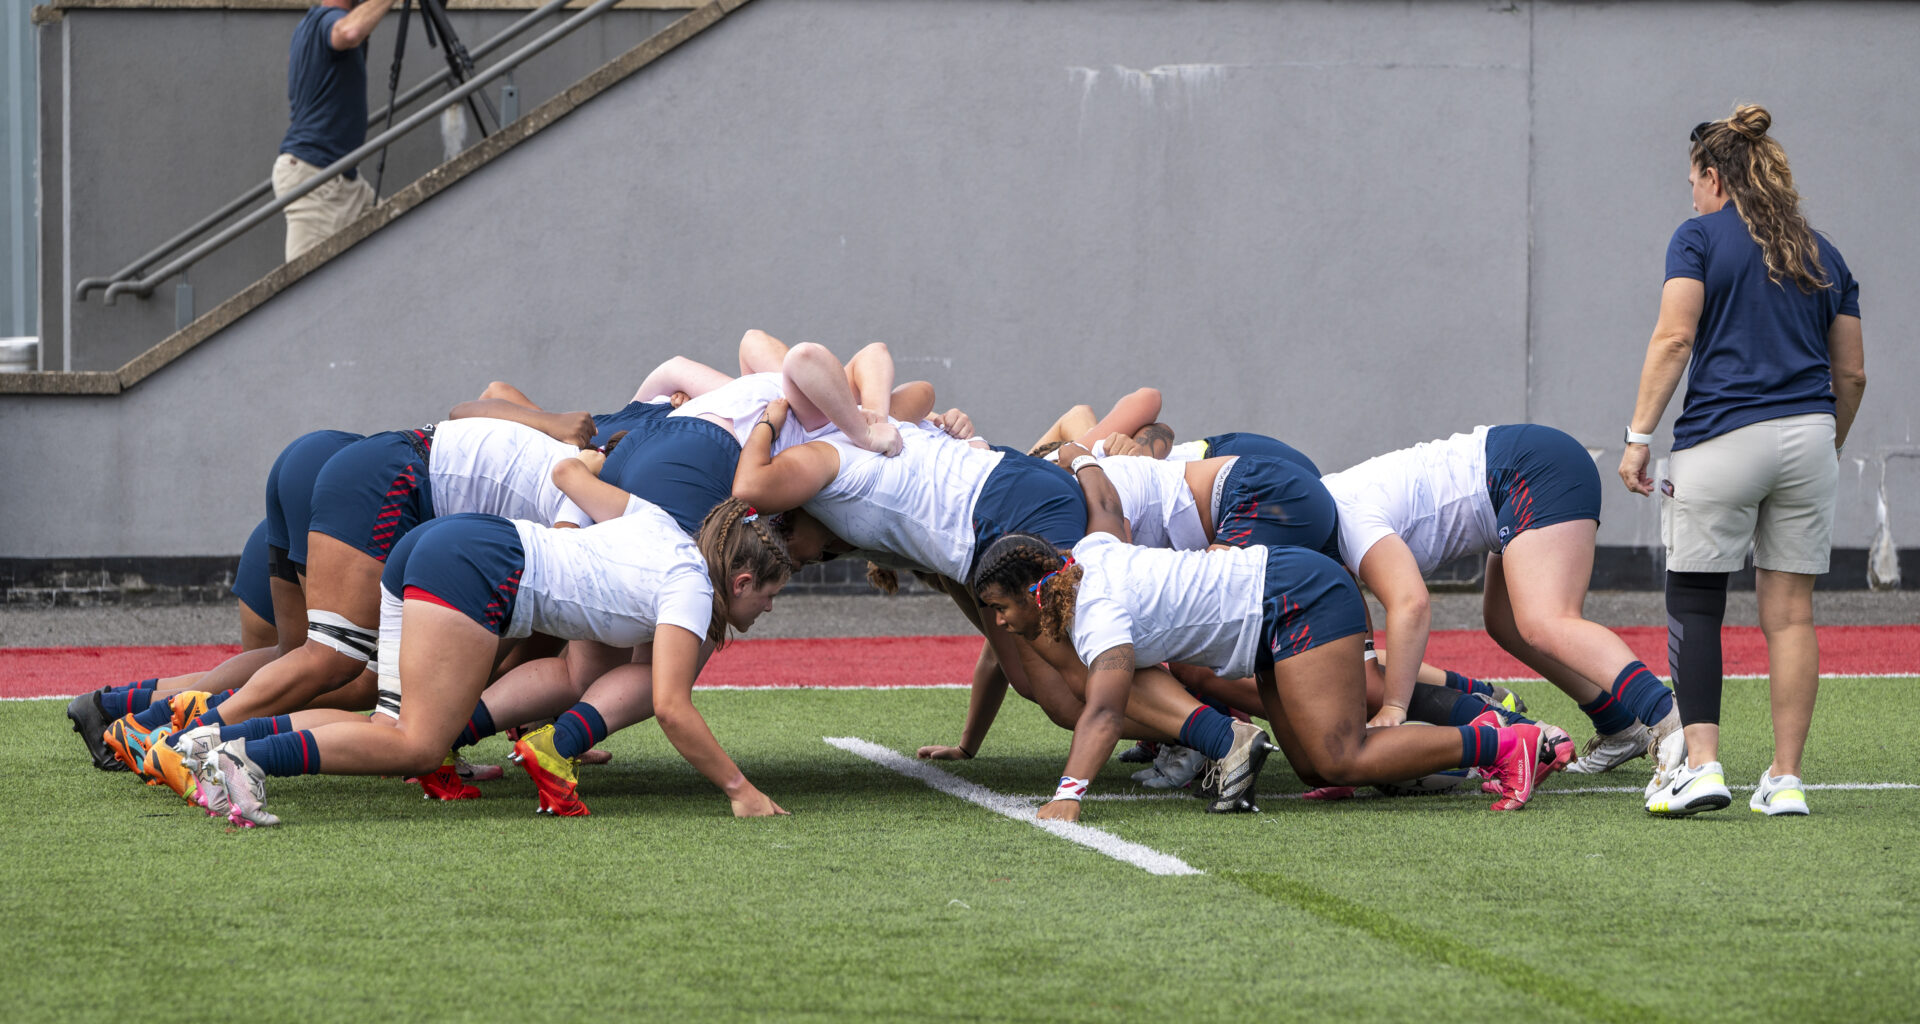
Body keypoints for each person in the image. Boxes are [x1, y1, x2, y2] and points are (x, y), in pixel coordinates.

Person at [968, 459, 1546, 820]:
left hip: (1298, 597)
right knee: (1318, 772)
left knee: (1341, 759)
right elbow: (1103, 504)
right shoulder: (1087, 554)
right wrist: (1082, 460)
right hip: (1271, 611)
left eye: (997, 608)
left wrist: (1070, 792)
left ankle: (1497, 744)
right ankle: (1464, 744)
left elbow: (1101, 714)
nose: (997, 623)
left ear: (1029, 591)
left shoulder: (1096, 615)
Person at [1621, 104, 1864, 818]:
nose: (1690, 197)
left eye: (1693, 182)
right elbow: (1851, 376)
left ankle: (1702, 766)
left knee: (1696, 602)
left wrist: (1638, 435)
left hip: (1722, 439)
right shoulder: (1824, 250)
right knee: (1790, 615)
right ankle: (1785, 780)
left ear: (1714, 177)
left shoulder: (1697, 237)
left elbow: (1673, 338)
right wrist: (1830, 442)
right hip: (1810, 441)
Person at [1321, 424, 1679, 781]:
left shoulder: (1345, 515)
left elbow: (1411, 605)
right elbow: (1361, 649)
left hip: (1532, 468)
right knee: (1505, 622)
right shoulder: (1324, 521)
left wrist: (1394, 706)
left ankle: (1671, 720)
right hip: (1514, 477)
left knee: (1546, 621)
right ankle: (1620, 725)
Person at [274, 0, 398, 260]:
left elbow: (358, 29)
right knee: (309, 291)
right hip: (317, 179)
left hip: (343, 180)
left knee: (397, 245)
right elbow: (349, 32)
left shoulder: (307, 27)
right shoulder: (328, 21)